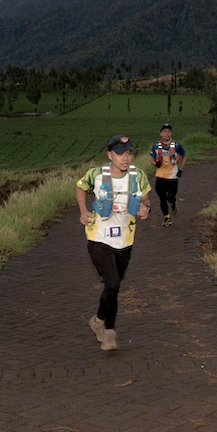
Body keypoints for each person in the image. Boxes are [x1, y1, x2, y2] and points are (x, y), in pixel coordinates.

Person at [76, 134, 152, 351]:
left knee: (112, 289)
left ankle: (98, 320)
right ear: (110, 155)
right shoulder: (97, 174)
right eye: (120, 153)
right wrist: (83, 211)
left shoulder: (138, 176)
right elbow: (81, 187)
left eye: (128, 153)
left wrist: (147, 209)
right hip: (98, 238)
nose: (125, 158)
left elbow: (146, 199)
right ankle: (110, 332)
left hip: (125, 241)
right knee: (113, 284)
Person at [149, 123, 187, 227]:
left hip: (172, 176)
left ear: (171, 133)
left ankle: (173, 203)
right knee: (162, 198)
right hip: (160, 176)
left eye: (169, 132)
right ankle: (167, 217)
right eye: (165, 132)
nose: (167, 134)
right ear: (161, 133)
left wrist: (181, 169)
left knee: (170, 197)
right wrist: (155, 163)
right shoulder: (156, 146)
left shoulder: (177, 146)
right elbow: (152, 160)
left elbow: (184, 156)